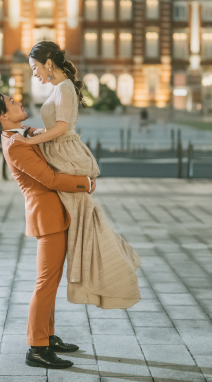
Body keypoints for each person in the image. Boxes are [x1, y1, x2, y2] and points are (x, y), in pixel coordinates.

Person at [11, 41, 141, 310]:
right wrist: (33, 131)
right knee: (85, 223)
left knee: (86, 223)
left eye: (35, 67)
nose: (34, 73)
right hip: (60, 152)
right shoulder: (60, 87)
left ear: (48, 63)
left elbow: (61, 129)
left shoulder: (66, 88)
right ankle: (106, 267)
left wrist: (30, 142)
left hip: (66, 156)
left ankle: (115, 267)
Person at [0, 92, 93, 370]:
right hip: (48, 218)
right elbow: (50, 179)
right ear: (3, 116)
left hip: (55, 214)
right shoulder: (15, 145)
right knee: (45, 283)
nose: (19, 102)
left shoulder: (23, 134)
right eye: (12, 102)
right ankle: (37, 347)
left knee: (50, 283)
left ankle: (48, 336)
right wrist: (86, 182)